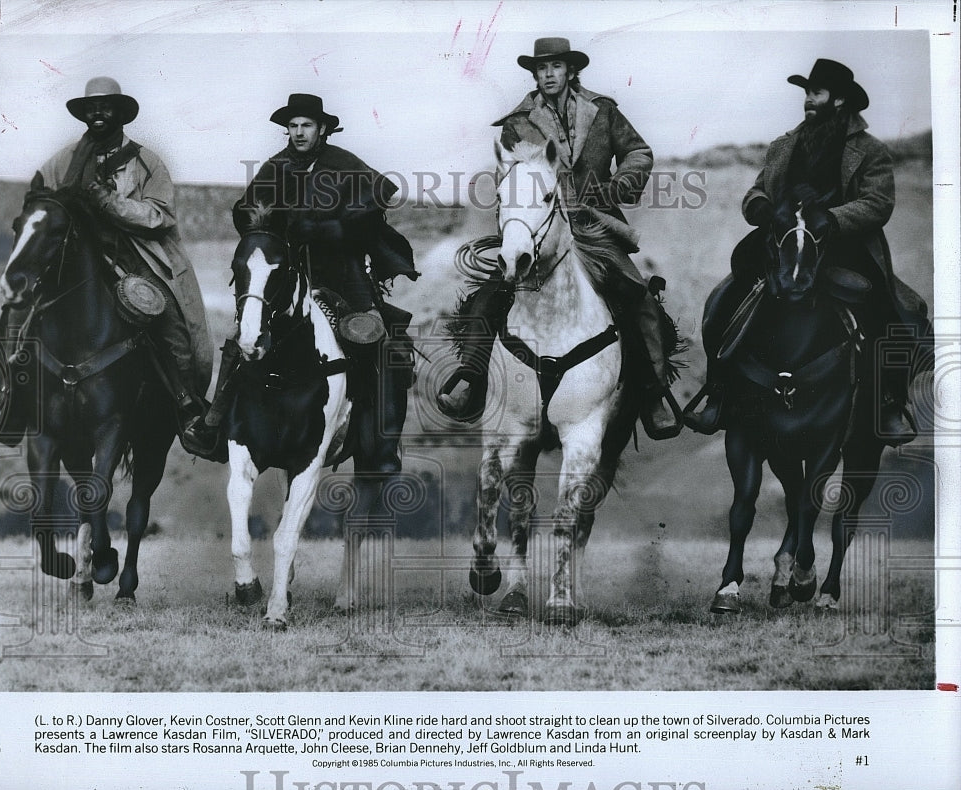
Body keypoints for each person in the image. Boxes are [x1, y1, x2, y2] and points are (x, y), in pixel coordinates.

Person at [436, 37, 682, 439]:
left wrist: (619, 184)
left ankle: (654, 394)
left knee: (638, 297)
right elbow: (514, 177)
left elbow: (639, 152)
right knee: (489, 294)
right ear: (534, 74)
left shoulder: (602, 111)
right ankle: (474, 381)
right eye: (541, 69)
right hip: (538, 228)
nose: (548, 75)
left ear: (570, 70)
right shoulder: (517, 123)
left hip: (595, 224)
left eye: (555, 67)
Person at [683, 58, 932, 444]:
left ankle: (888, 400)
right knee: (726, 296)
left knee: (885, 309)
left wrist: (831, 219)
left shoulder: (870, 151)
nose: (807, 100)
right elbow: (756, 190)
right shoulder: (784, 145)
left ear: (839, 100)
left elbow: (878, 202)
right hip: (784, 243)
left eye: (816, 93)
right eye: (806, 93)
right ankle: (718, 392)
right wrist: (762, 207)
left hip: (843, 245)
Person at [182, 93, 418, 470]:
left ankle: (382, 439)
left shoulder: (345, 166)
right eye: (292, 127)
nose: (298, 133)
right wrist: (256, 219)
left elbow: (376, 204)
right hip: (287, 276)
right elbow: (248, 212)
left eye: (306, 125)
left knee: (377, 338)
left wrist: (328, 227)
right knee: (245, 333)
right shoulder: (276, 167)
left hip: (342, 274)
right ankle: (215, 425)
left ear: (323, 129)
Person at [0, 76, 212, 446]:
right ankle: (6, 395)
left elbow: (159, 216)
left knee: (169, 318)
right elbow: (40, 189)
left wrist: (108, 202)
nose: (97, 113)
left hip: (136, 255)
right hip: (74, 256)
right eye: (91, 107)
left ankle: (185, 402)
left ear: (120, 113)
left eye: (105, 106)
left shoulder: (146, 162)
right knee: (16, 308)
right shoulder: (65, 159)